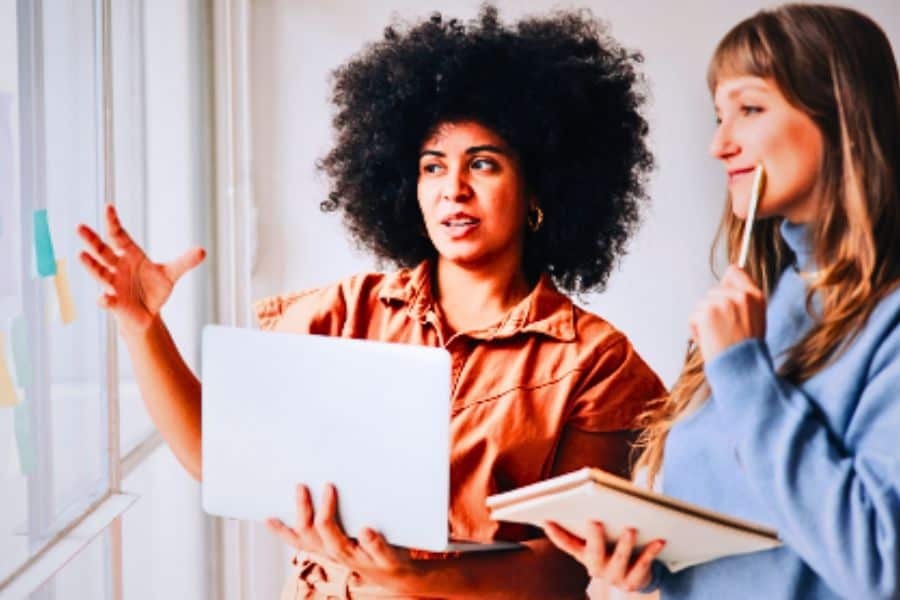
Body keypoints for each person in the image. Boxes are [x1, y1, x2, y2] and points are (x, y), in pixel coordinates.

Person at [77, 6, 666, 599]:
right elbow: (220, 459)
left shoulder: (596, 363)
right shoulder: (341, 316)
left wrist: (416, 578)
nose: (452, 188)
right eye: (432, 166)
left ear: (540, 186)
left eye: (482, 163)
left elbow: (566, 566)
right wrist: (143, 325)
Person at [543, 4, 900, 599]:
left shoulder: (885, 322)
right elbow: (756, 539)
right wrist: (646, 565)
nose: (718, 145)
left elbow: (879, 567)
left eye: (750, 109)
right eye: (718, 115)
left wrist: (743, 373)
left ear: (841, 117)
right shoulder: (760, 304)